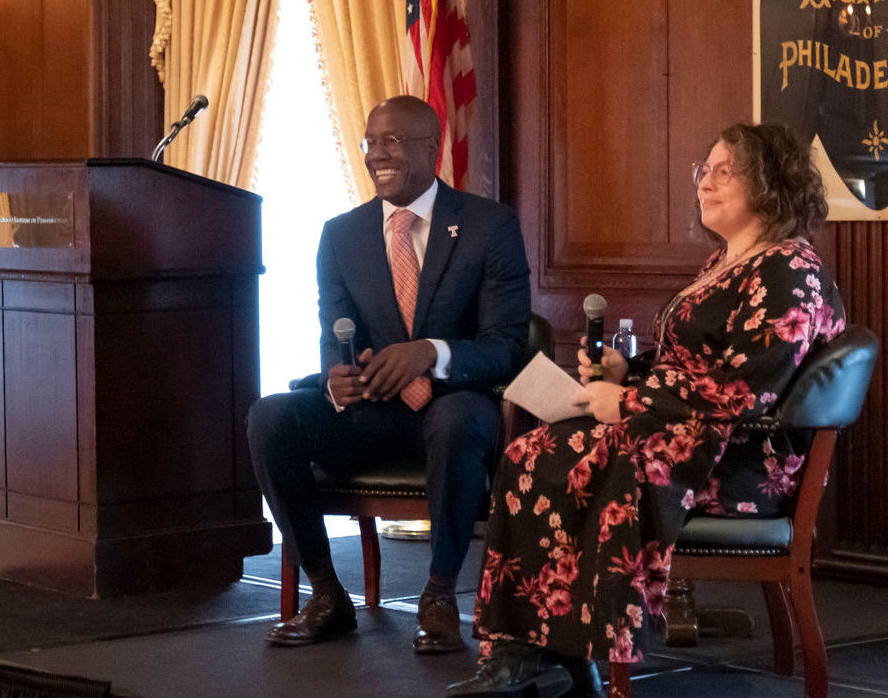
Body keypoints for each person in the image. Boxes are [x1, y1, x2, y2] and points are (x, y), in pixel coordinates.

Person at [449, 122, 847, 698]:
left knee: (550, 455)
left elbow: (744, 389)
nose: (705, 183)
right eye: (702, 170)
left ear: (770, 184)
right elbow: (695, 362)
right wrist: (626, 373)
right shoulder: (728, 260)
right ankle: (538, 649)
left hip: (738, 458)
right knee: (533, 450)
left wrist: (628, 401)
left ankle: (554, 651)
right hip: (689, 432)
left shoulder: (789, 269)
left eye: (723, 171)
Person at [248, 95, 531, 654]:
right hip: (372, 410)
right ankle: (328, 595)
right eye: (370, 143)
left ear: (432, 147)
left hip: (453, 402)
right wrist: (337, 379)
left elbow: (507, 347)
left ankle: (441, 594)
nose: (377, 154)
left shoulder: (488, 226)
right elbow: (336, 335)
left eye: (393, 142)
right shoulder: (341, 234)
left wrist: (430, 351)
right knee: (270, 417)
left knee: (456, 423)